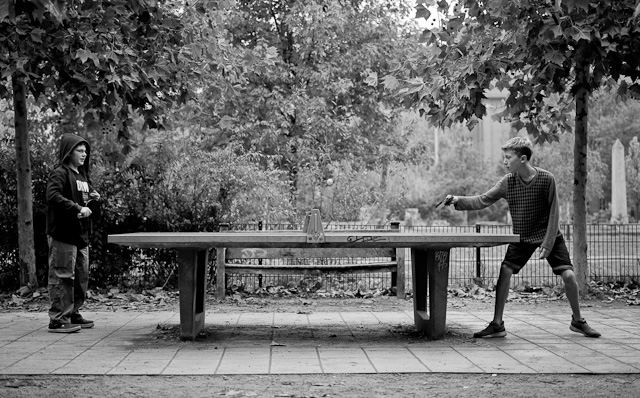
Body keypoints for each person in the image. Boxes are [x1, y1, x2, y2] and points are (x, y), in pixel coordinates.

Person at [442, 136, 601, 338]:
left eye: (508, 157)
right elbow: (483, 200)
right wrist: (458, 200)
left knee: (569, 276)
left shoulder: (546, 179)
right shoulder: (508, 182)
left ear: (523, 159)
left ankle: (578, 321)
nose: (504, 161)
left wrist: (548, 242)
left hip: (548, 234)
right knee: (505, 271)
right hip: (523, 237)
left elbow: (555, 213)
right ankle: (497, 324)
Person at [46, 133, 100, 333]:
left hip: (81, 237)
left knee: (80, 277)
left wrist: (92, 198)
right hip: (63, 235)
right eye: (79, 150)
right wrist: (78, 208)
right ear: (68, 152)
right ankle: (58, 319)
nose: (84, 154)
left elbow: (83, 201)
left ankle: (73, 313)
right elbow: (53, 196)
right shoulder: (59, 173)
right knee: (63, 276)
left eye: (86, 151)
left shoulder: (82, 176)